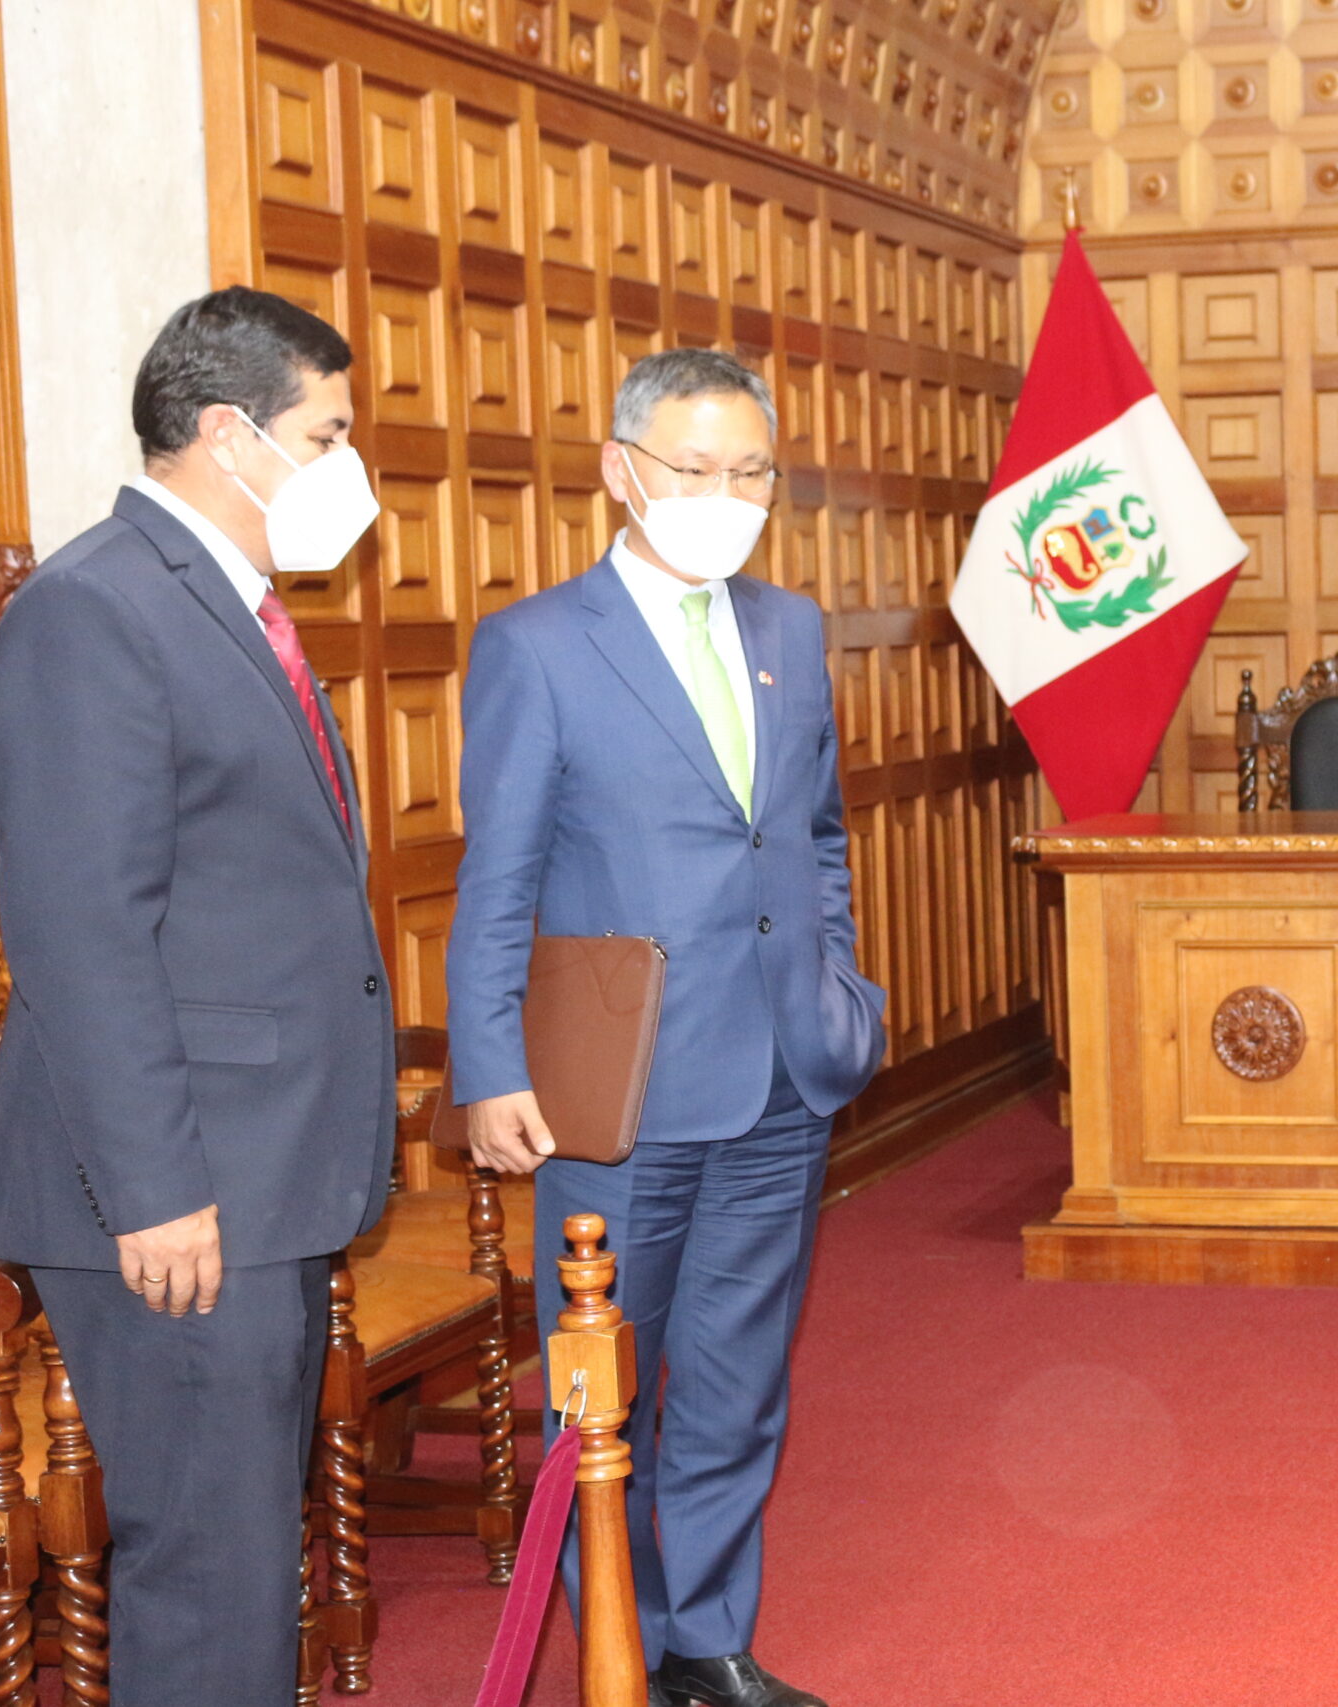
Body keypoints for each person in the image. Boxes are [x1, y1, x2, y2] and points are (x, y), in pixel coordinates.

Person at [0, 286, 393, 1703]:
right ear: (228, 433)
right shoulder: (93, 608)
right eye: (326, 435)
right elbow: (81, 934)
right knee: (210, 1575)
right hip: (177, 1190)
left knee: (241, 1559)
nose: (347, 466)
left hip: (260, 1169)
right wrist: (154, 1192)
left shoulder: (226, 602)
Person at [446, 347, 885, 1707]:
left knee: (739, 1384)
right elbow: (499, 876)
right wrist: (489, 1065)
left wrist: (841, 989)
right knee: (605, 1390)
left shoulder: (790, 629)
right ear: (622, 472)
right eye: (696, 469)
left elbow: (814, 837)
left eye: (751, 472)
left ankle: (707, 1639)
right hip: (622, 1089)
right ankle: (621, 1651)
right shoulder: (537, 645)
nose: (726, 497)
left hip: (783, 1072)